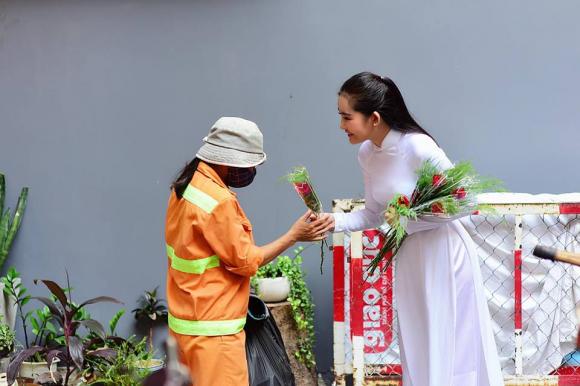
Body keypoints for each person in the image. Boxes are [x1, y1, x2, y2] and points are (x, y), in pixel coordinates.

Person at [321, 72, 503, 386]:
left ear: (374, 118)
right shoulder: (367, 155)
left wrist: (407, 220)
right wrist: (331, 221)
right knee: (418, 343)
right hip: (410, 257)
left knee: (448, 342)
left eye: (346, 117)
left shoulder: (417, 147)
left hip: (444, 253)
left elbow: (464, 201)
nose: (341, 125)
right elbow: (374, 214)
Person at [165, 117, 331, 386]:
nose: (252, 170)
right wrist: (294, 236)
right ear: (225, 160)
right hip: (215, 333)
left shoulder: (186, 187)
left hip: (185, 326)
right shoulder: (218, 202)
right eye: (248, 163)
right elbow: (246, 261)